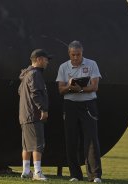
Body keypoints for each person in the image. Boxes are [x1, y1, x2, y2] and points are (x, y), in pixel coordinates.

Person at [56, 41, 102, 183]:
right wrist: (70, 87)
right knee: (71, 139)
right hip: (70, 105)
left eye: (78, 54)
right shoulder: (63, 67)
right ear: (69, 54)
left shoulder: (91, 64)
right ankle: (75, 174)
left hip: (88, 105)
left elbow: (95, 87)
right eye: (73, 55)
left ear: (82, 53)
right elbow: (61, 90)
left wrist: (80, 89)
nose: (76, 57)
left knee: (91, 140)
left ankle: (95, 176)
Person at [18, 49, 52, 181]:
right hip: (33, 115)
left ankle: (26, 171)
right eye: (45, 59)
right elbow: (35, 93)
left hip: (24, 115)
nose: (47, 62)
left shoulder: (27, 74)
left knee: (27, 145)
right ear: (38, 59)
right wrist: (43, 109)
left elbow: (20, 91)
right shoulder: (35, 74)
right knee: (38, 144)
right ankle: (37, 172)